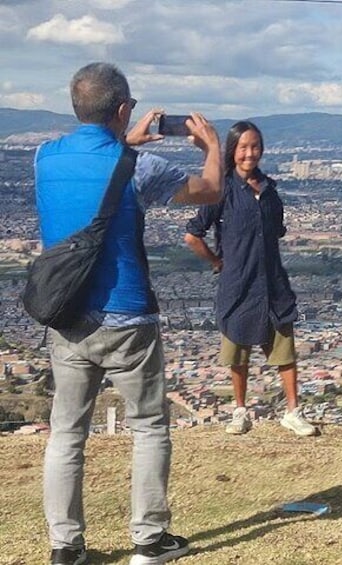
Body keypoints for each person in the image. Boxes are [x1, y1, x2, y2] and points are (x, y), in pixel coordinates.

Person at [35, 62, 222, 565]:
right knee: (148, 427)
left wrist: (127, 137)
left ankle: (65, 547)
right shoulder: (140, 166)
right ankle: (149, 539)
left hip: (67, 314)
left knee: (67, 433)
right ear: (123, 109)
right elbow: (210, 191)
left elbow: (96, 171)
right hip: (128, 315)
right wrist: (212, 147)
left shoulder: (42, 156)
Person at [184, 121, 317, 437]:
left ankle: (292, 411)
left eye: (255, 146)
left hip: (272, 283)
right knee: (237, 352)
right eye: (243, 147)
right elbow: (193, 235)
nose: (250, 153)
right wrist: (218, 263)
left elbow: (277, 232)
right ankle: (240, 411)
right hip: (238, 284)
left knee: (285, 352)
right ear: (232, 150)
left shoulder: (270, 190)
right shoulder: (220, 189)